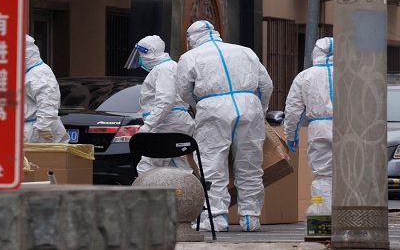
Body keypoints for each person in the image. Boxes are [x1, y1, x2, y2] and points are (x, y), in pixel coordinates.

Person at [176, 20, 274, 233]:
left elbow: (183, 91)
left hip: (212, 107)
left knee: (212, 163)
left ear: (191, 38)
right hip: (249, 105)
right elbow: (266, 84)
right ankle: (250, 218)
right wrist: (260, 108)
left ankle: (216, 217)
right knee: (249, 163)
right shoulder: (245, 51)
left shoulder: (190, 57)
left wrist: (199, 105)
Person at [126, 34, 195, 174]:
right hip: (170, 123)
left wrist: (149, 124)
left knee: (148, 168)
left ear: (149, 53)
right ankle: (186, 194)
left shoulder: (164, 69)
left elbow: (165, 101)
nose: (140, 59)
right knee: (178, 168)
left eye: (141, 55)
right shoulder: (167, 68)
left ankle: (149, 195)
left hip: (167, 124)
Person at [283, 37, 335, 201]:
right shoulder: (352, 74)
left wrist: (291, 136)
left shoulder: (305, 77)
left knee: (323, 175)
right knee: (351, 174)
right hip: (348, 127)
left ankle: (325, 216)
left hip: (319, 129)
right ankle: (349, 218)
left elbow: (293, 109)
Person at [23, 34, 70, 144]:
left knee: (41, 160)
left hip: (39, 131)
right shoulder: (25, 74)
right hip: (29, 129)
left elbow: (48, 100)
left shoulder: (39, 73)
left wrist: (44, 126)